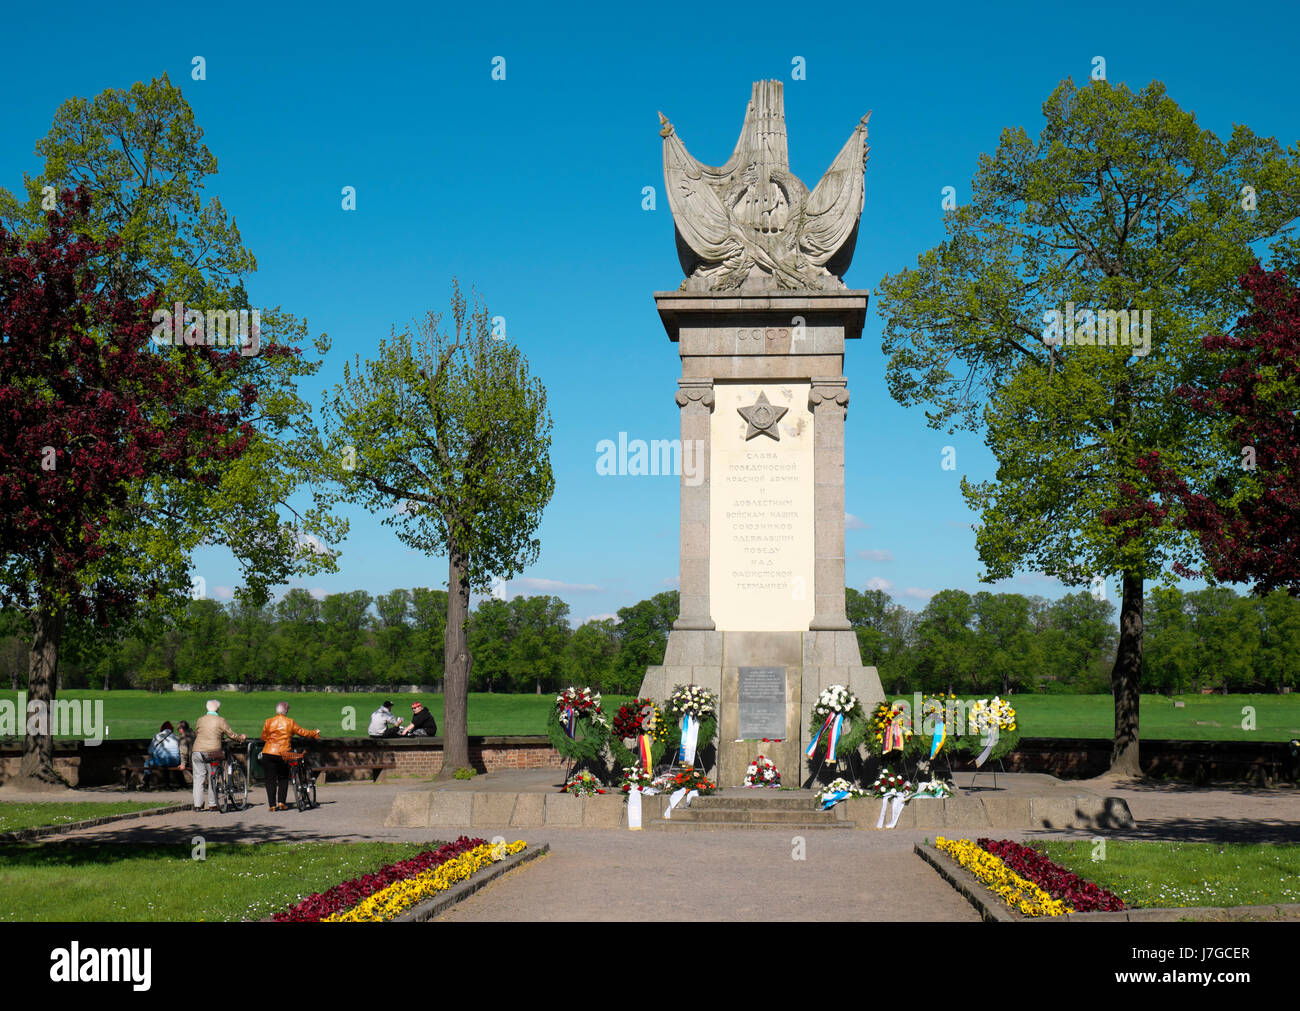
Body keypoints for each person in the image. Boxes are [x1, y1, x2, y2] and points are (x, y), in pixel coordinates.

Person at [261, 701, 321, 812]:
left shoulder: (268, 722)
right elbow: (302, 732)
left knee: (270, 780)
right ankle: (281, 802)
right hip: (283, 754)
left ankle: (272, 805)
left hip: (268, 752)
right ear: (286, 711)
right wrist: (314, 732)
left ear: (276, 710)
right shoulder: (290, 722)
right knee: (283, 778)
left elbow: (263, 737)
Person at [192, 701, 246, 811]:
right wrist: (241, 738)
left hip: (197, 751)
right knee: (213, 777)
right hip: (213, 752)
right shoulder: (220, 720)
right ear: (217, 709)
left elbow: (197, 733)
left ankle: (197, 805)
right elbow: (231, 734)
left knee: (198, 779)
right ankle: (212, 804)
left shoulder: (200, 720)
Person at [144, 722, 181, 789]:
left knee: (147, 762)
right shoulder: (176, 737)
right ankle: (180, 783)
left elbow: (150, 751)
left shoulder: (158, 736)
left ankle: (146, 783)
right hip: (176, 761)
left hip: (161, 761)